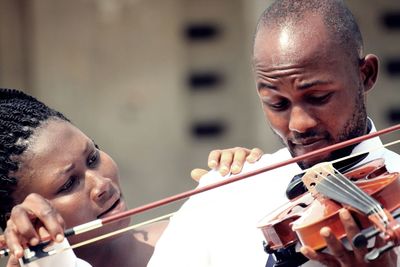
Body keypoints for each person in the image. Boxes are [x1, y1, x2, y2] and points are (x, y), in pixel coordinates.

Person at [148, 0, 400, 266]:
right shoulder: (223, 192)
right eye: (277, 104)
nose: (299, 124)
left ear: (366, 75)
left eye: (318, 97)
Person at [0, 88, 260, 267]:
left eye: (93, 158)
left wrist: (256, 182)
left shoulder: (202, 227)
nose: (101, 185)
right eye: (68, 184)